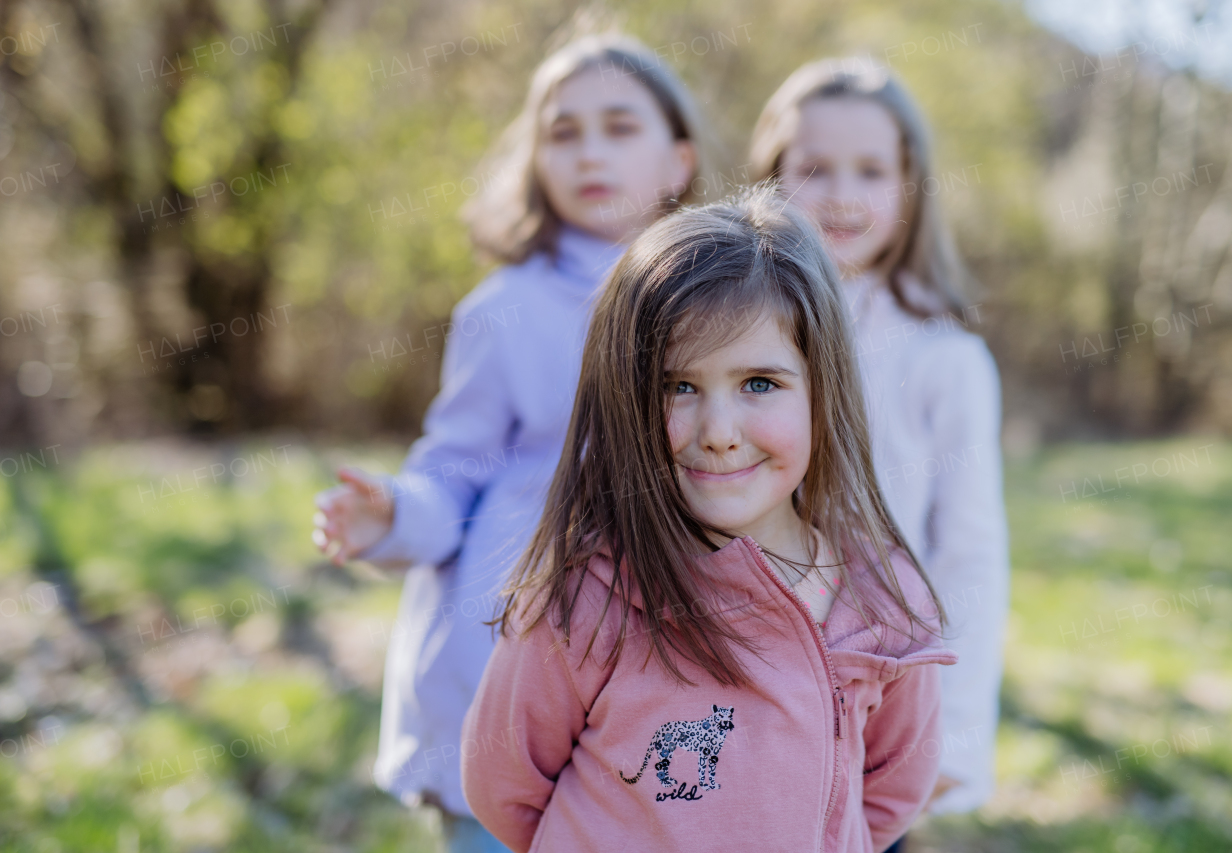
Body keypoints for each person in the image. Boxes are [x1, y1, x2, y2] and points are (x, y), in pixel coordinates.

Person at [461, 185, 958, 853]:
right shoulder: (589, 596)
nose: (719, 431)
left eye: (760, 383)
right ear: (626, 399)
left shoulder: (882, 601)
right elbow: (505, 786)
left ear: (822, 388)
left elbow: (891, 791)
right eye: (677, 387)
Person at [311, 32, 713, 852]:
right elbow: (453, 472)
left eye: (619, 127)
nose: (589, 151)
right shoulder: (503, 309)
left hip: (659, 658)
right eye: (563, 132)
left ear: (679, 162)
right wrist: (394, 512)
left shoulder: (716, 301)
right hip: (509, 643)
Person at [749, 60, 1011, 837]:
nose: (840, 194)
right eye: (814, 168)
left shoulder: (944, 358)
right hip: (742, 678)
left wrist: (954, 737)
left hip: (876, 702)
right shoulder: (732, 332)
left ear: (911, 185)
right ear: (768, 178)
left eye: (871, 170)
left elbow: (969, 551)